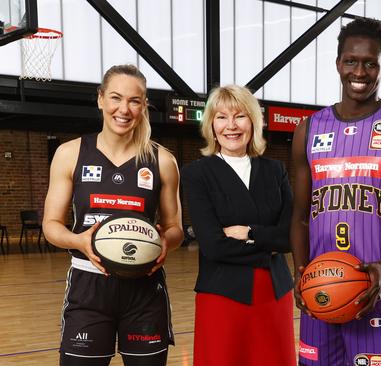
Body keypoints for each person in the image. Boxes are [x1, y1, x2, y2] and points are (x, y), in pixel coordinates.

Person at [291, 18, 381, 366]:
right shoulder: (308, 130)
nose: (360, 71)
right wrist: (300, 273)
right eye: (351, 61)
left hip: (380, 295)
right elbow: (299, 217)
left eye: (370, 63)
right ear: (338, 64)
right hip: (321, 294)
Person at [43, 64, 183, 366]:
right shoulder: (70, 153)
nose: (124, 109)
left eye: (135, 100)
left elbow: (176, 228)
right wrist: (80, 241)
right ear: (100, 99)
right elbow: (51, 225)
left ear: (143, 105)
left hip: (144, 288)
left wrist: (163, 242)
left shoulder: (162, 160)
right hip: (88, 285)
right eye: (116, 98)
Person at [181, 84, 295, 365]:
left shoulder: (275, 170)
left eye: (240, 116)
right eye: (221, 117)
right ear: (211, 124)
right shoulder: (197, 173)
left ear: (253, 122)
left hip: (274, 293)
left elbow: (291, 236)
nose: (231, 126)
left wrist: (251, 233)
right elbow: (212, 246)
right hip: (222, 295)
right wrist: (268, 247)